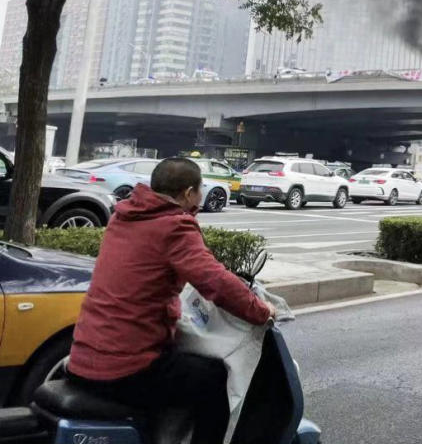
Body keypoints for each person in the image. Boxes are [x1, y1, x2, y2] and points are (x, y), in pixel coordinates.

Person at [67, 158, 275, 444]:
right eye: (200, 189)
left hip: (82, 358)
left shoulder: (126, 215)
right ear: (189, 192)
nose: (201, 196)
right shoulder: (173, 226)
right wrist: (262, 311)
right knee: (213, 380)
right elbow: (214, 280)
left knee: (180, 366)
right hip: (124, 369)